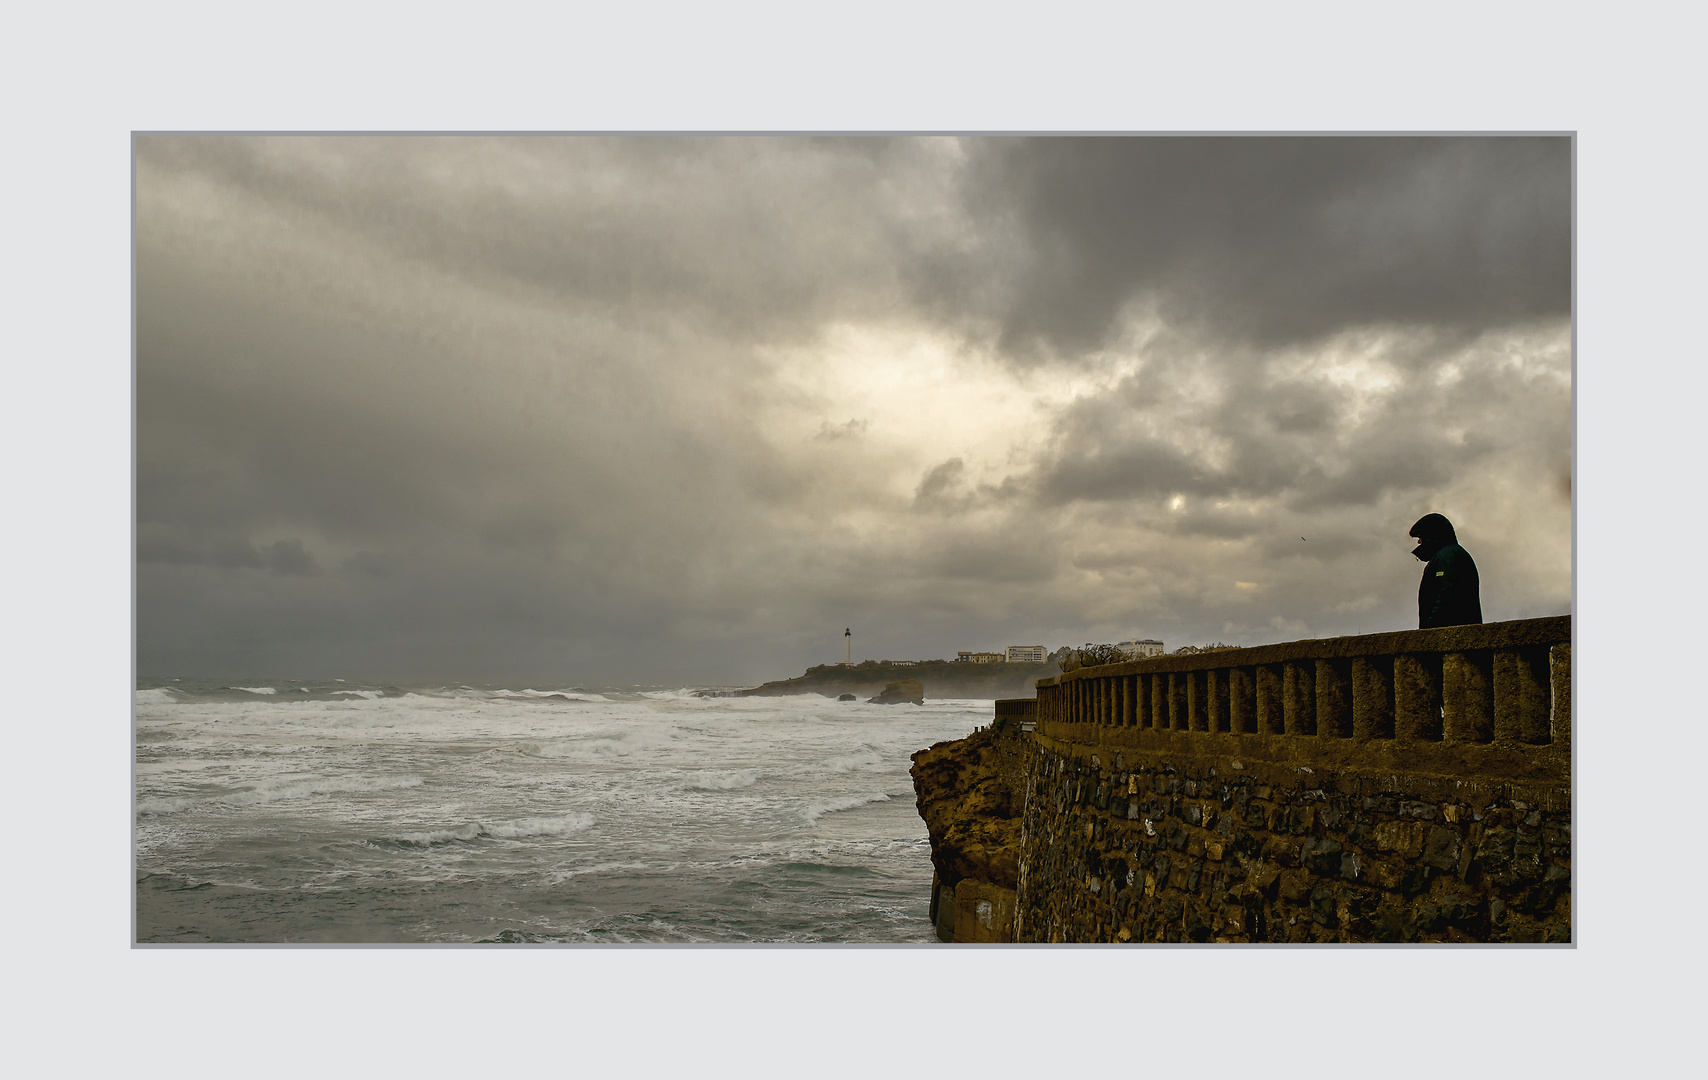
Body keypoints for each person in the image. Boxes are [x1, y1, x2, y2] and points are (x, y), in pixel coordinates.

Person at [1410, 513, 1482, 628]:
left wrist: (1430, 629)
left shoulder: (1447, 557)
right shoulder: (1451, 554)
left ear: (1430, 536)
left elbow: (1446, 594)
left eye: (1420, 537)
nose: (1419, 542)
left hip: (1451, 634)